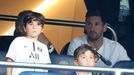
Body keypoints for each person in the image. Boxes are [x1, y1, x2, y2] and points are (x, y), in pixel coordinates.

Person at [6, 10, 51, 75]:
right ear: (24, 28)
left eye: (38, 24)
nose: (34, 27)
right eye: (31, 24)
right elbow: (9, 61)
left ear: (42, 29)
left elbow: (45, 68)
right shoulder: (18, 41)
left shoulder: (44, 47)